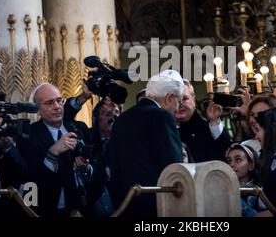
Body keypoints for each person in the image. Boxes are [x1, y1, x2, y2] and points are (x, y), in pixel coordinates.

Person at [108, 69, 184, 216]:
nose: (177, 107)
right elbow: (173, 167)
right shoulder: (162, 117)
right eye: (179, 101)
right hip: (155, 206)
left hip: (125, 204)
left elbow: (114, 165)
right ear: (169, 97)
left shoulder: (122, 119)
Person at [19, 83, 95, 217]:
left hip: (85, 209)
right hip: (49, 211)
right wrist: (52, 154)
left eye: (59, 100)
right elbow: (30, 181)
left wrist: (87, 169)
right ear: (37, 109)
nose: (57, 106)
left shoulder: (79, 128)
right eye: (49, 103)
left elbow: (99, 166)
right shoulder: (28, 136)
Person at [175, 80, 231, 162]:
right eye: (176, 100)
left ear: (194, 100)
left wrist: (215, 122)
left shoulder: (206, 128)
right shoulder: (163, 130)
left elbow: (226, 151)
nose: (180, 104)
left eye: (185, 99)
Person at [225, 142, 259, 217]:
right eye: (229, 160)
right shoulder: (225, 191)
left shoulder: (261, 190)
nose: (231, 164)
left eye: (238, 160)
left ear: (251, 165)